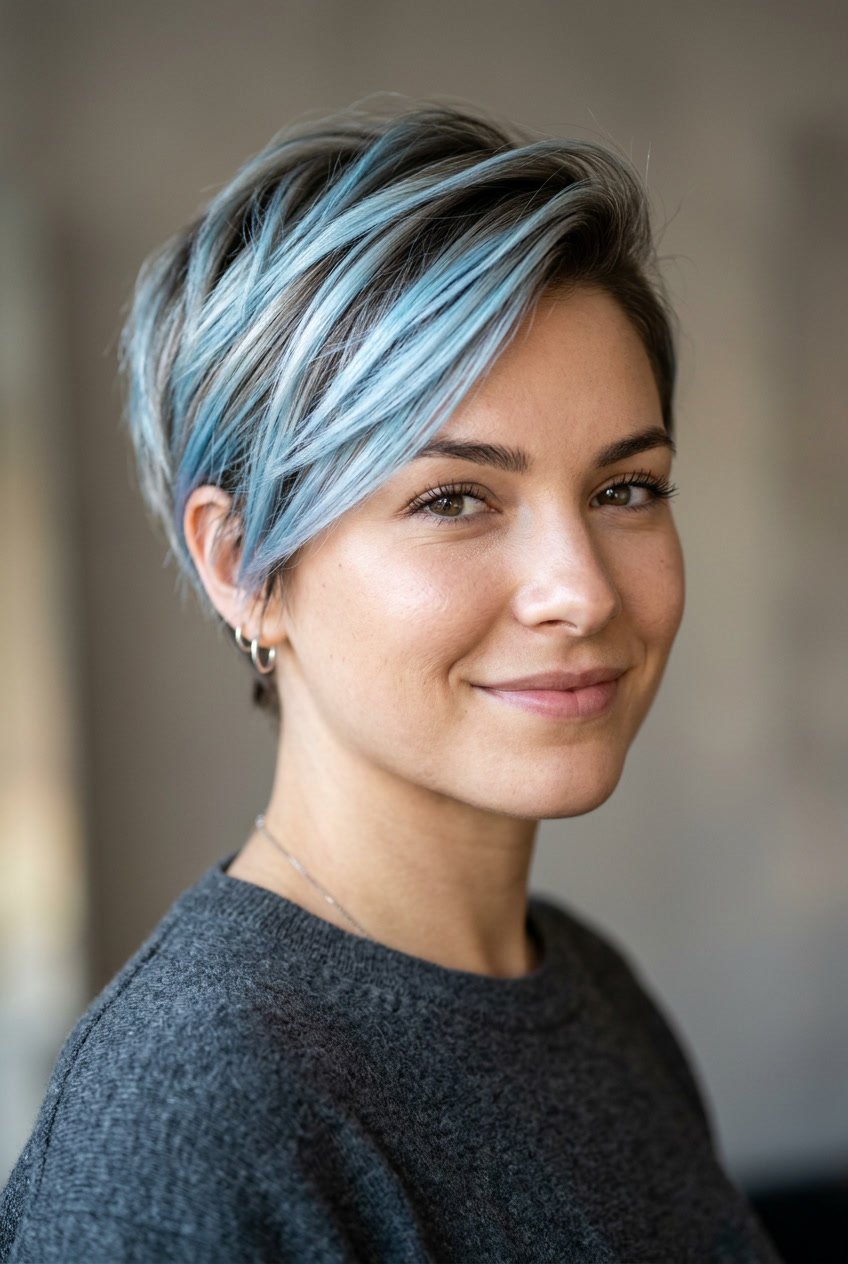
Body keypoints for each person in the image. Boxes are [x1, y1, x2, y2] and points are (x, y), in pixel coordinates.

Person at [0, 97, 783, 1262]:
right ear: (241, 564)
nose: (580, 590)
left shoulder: (585, 988)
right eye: (453, 498)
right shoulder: (197, 1131)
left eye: (625, 488)